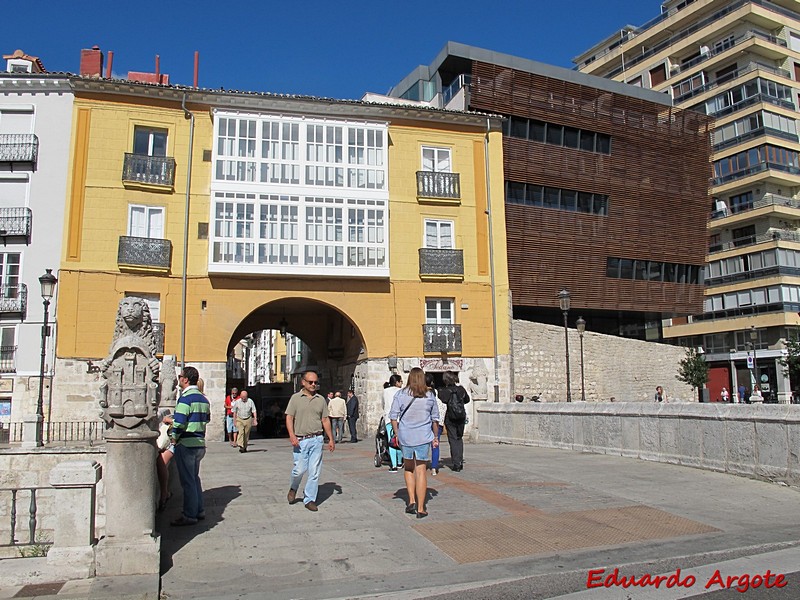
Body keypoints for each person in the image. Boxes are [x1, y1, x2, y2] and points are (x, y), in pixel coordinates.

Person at [390, 367, 439, 519]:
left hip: (406, 436)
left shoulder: (400, 394)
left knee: (409, 468)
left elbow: (393, 416)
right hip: (423, 437)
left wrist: (397, 433)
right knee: (421, 470)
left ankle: (411, 500)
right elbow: (435, 418)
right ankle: (421, 507)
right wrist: (436, 436)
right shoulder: (429, 395)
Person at [286, 370, 335, 512]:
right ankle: (294, 487)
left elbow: (325, 420)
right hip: (300, 440)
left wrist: (330, 439)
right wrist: (292, 435)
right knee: (299, 470)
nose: (314, 384)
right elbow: (289, 417)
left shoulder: (320, 400)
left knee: (314, 471)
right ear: (303, 382)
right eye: (310, 382)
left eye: (315, 382)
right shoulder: (295, 398)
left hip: (317, 439)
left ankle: (309, 499)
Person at [170, 366, 211, 526]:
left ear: (185, 379)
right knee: (194, 478)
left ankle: (190, 514)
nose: (179, 379)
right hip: (199, 443)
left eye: (180, 376)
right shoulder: (203, 399)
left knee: (187, 481)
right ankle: (199, 510)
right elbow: (206, 419)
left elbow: (180, 422)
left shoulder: (185, 399)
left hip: (186, 443)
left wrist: (174, 437)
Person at [438, 371, 469, 472]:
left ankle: (456, 463)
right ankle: (459, 460)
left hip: (450, 417)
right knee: (459, 438)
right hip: (461, 416)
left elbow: (442, 400)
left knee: (453, 439)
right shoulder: (461, 389)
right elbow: (467, 400)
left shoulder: (444, 391)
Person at [383, 374, 404, 472]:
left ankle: (394, 465)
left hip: (389, 418)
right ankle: (400, 462)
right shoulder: (402, 391)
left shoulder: (385, 391)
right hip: (400, 418)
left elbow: (383, 403)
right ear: (397, 382)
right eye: (401, 381)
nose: (402, 383)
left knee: (391, 441)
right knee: (399, 440)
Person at [426, 372, 445, 476]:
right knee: (435, 444)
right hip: (437, 422)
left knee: (423, 445)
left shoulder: (422, 394)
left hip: (425, 422)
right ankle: (434, 467)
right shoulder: (437, 392)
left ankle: (421, 465)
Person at [156, 408, 174, 512]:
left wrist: (170, 421)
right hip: (178, 439)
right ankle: (165, 493)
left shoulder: (187, 400)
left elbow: (183, 422)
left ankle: (164, 494)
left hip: (180, 440)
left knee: (161, 462)